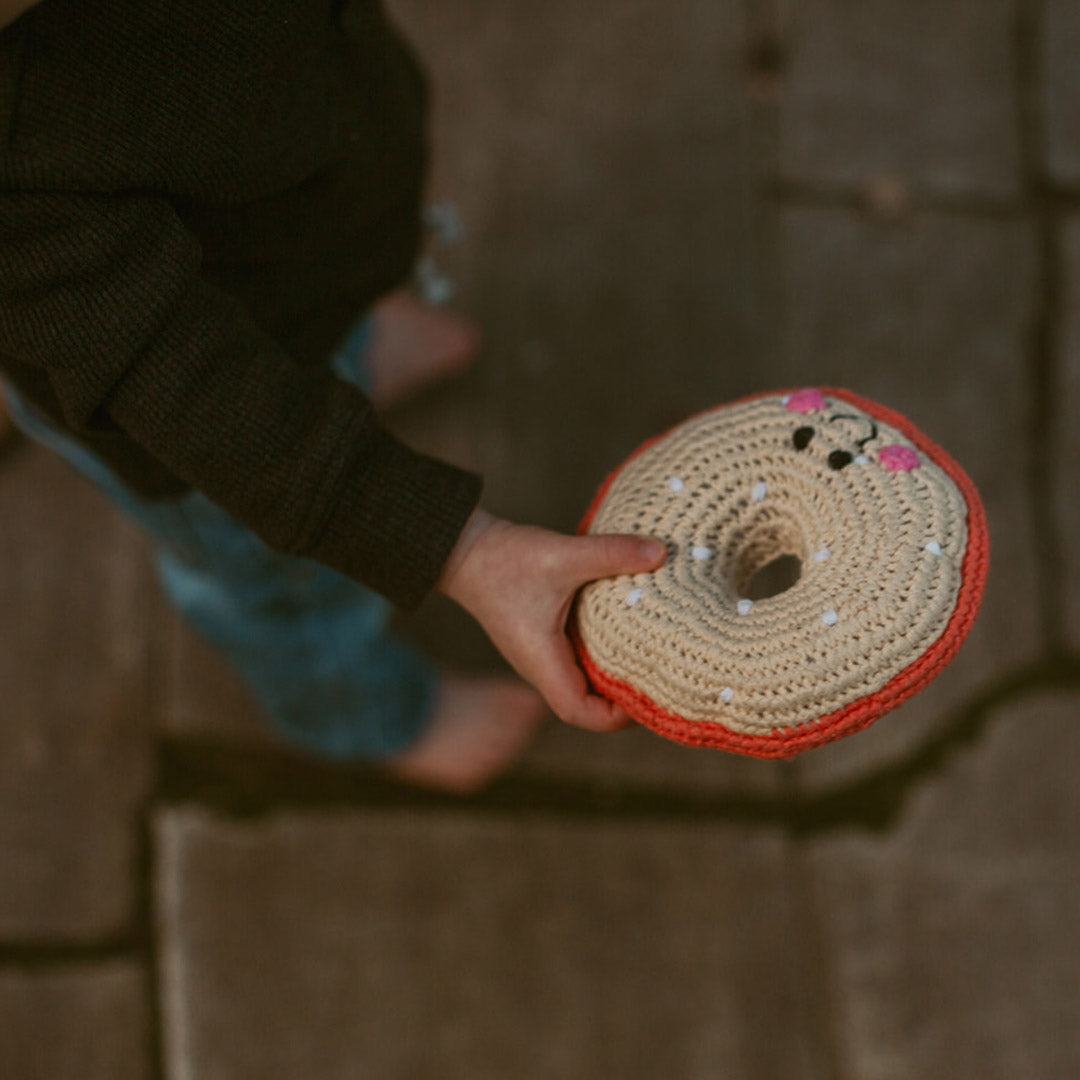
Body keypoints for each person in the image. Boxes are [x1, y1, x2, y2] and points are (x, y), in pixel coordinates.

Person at [0, 0, 666, 791]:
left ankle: (350, 347)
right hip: (194, 432)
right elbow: (199, 396)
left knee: (312, 307)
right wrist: (464, 549)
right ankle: (357, 712)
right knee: (283, 589)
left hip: (297, 255)